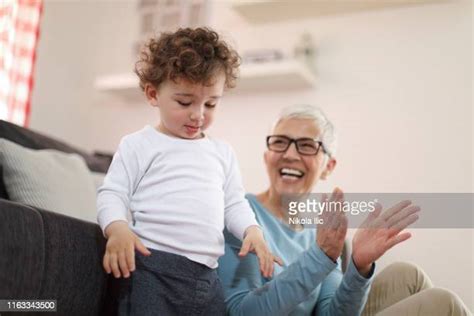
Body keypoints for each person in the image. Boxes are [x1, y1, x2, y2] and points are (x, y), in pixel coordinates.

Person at [218, 104, 471, 316]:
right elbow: (245, 312)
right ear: (267, 156)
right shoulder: (241, 217)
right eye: (280, 143)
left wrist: (359, 266)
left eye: (307, 145)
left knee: (407, 275)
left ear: (329, 166)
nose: (290, 154)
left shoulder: (320, 232)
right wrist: (321, 256)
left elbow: (333, 313)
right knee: (442, 303)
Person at [96, 27, 280, 316]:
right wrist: (117, 227)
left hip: (208, 277)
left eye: (211, 103)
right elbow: (113, 193)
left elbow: (234, 203)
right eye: (185, 102)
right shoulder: (139, 145)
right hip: (152, 268)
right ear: (153, 93)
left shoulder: (222, 153)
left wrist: (252, 230)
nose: (199, 114)